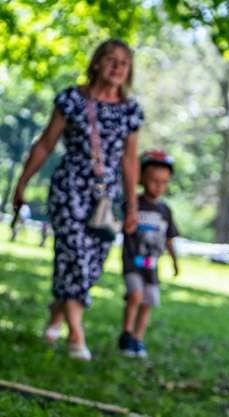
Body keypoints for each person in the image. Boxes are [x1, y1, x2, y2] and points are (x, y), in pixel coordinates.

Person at [12, 38, 142, 361]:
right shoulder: (71, 100)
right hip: (69, 188)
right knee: (73, 254)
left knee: (93, 262)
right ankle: (76, 336)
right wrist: (22, 183)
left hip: (105, 196)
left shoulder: (130, 111)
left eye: (124, 63)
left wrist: (132, 205)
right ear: (96, 62)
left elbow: (130, 160)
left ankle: (57, 313)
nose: (117, 67)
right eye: (111, 60)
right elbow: (45, 144)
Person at [118, 150, 179, 358]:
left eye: (164, 182)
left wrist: (175, 262)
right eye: (154, 180)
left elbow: (169, 238)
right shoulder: (132, 204)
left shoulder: (165, 211)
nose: (158, 186)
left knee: (147, 302)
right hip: (132, 261)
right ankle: (126, 334)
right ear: (141, 178)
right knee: (135, 295)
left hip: (151, 265)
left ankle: (138, 338)